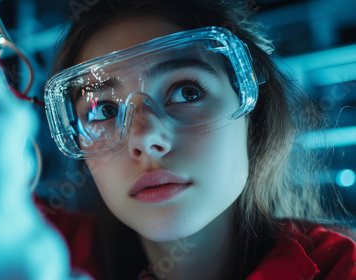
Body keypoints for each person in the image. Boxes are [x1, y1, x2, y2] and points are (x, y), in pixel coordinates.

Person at [42, 0, 356, 279]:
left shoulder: (338, 269)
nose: (145, 137)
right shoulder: (43, 249)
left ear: (252, 113)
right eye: (105, 111)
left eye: (187, 92)